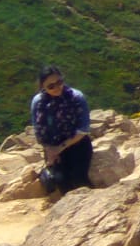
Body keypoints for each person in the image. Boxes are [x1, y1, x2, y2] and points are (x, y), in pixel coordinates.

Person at [31, 65, 93, 194]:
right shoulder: (39, 102)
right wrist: (50, 151)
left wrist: (60, 148)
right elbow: (39, 130)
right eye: (51, 86)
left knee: (79, 179)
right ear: (43, 87)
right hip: (53, 144)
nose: (57, 88)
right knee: (61, 181)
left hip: (77, 142)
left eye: (59, 82)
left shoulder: (75, 97)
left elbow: (83, 129)